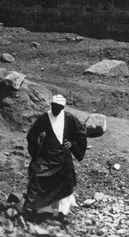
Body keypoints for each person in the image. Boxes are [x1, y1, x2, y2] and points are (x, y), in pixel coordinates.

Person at [24, 94, 87, 223]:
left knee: (65, 182)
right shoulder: (44, 118)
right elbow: (32, 134)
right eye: (54, 106)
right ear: (51, 105)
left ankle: (62, 212)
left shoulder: (69, 118)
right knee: (40, 178)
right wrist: (37, 150)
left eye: (58, 108)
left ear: (62, 107)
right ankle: (42, 210)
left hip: (63, 157)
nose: (56, 110)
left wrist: (72, 144)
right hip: (47, 156)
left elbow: (80, 133)